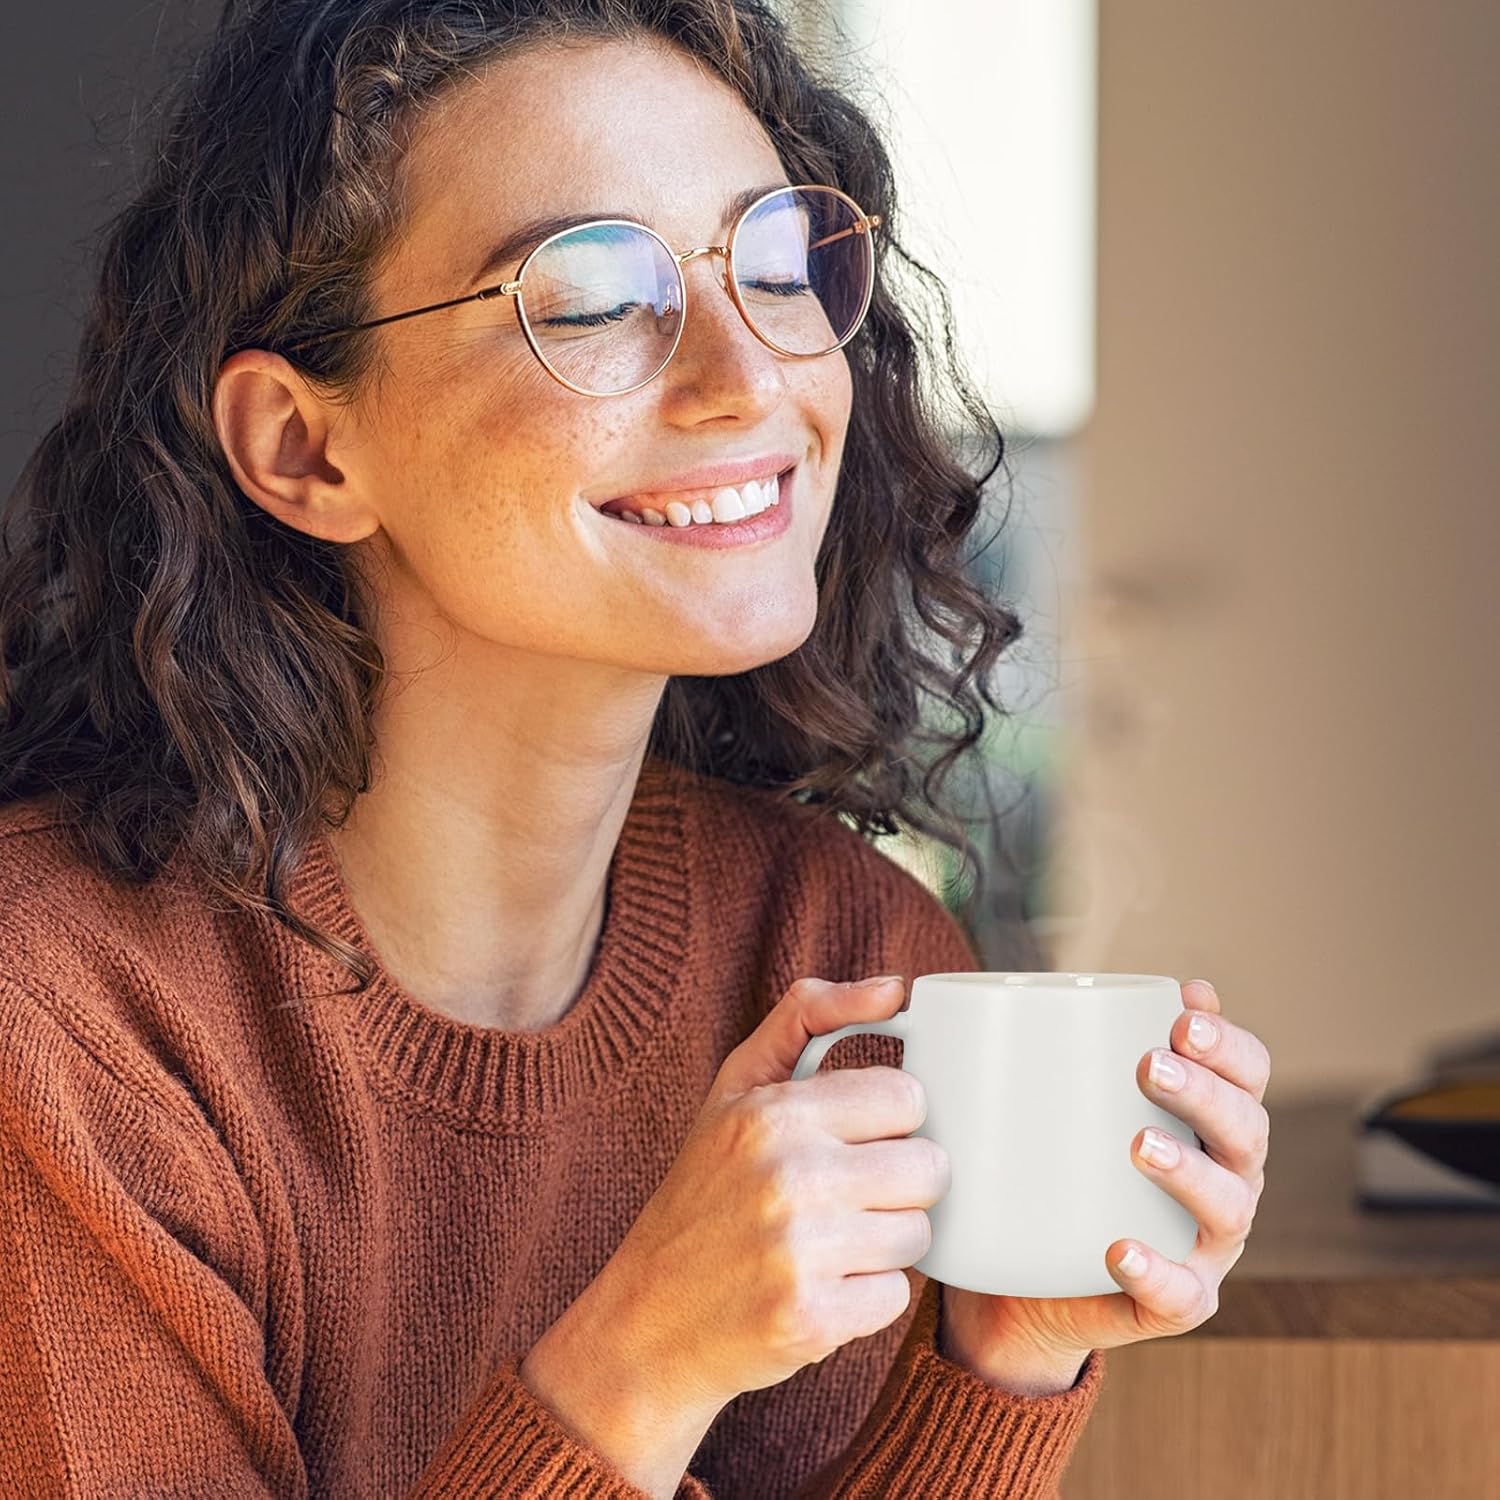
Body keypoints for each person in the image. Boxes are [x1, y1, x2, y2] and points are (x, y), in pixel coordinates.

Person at [0, 2, 1114, 1494]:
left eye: (775, 263)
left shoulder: (836, 951)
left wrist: (1002, 1364)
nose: (748, 377)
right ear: (303, 448)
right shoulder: (60, 1025)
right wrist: (639, 1366)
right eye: (590, 299)